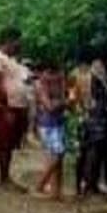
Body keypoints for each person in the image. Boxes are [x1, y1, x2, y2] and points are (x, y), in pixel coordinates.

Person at [0, 28, 31, 187]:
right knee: (2, 143)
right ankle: (2, 177)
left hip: (16, 106)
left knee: (9, 143)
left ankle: (5, 175)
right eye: (17, 41)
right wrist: (5, 108)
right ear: (8, 41)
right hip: (2, 107)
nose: (19, 44)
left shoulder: (13, 60)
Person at [76, 53, 107, 197]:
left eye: (101, 65)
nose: (99, 68)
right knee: (92, 156)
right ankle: (89, 186)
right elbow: (84, 101)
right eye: (96, 66)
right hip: (93, 123)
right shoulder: (86, 80)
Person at [34, 61, 70, 200]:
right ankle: (40, 184)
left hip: (58, 122)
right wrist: (64, 102)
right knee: (58, 154)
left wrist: (63, 101)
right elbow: (49, 106)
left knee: (58, 158)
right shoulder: (41, 84)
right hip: (48, 124)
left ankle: (56, 191)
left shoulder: (59, 83)